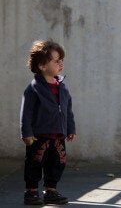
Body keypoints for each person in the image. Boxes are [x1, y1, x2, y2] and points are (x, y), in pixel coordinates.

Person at [20, 40, 77, 205]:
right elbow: (26, 113)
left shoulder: (62, 87)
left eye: (61, 60)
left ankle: (50, 190)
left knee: (58, 163)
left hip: (58, 135)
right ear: (42, 66)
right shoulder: (33, 89)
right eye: (56, 61)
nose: (61, 63)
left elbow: (68, 110)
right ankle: (31, 191)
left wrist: (70, 128)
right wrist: (27, 133)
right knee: (35, 162)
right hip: (39, 136)